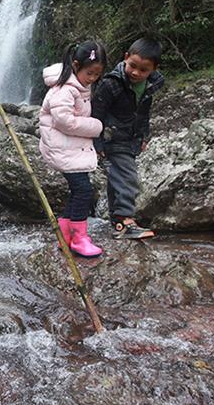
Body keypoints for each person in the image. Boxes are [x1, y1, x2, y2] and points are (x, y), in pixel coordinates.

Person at [91, 37, 164, 239]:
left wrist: (143, 136)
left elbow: (143, 113)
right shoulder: (110, 84)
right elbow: (96, 112)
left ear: (154, 69)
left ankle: (118, 225)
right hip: (111, 136)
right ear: (125, 58)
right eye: (132, 66)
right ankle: (125, 219)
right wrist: (96, 142)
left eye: (143, 70)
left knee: (117, 178)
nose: (136, 73)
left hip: (130, 137)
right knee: (128, 176)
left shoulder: (150, 85)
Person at [39, 41, 106, 257]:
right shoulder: (64, 90)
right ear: (75, 65)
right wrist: (96, 127)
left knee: (79, 190)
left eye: (97, 74)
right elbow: (64, 121)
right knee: (84, 190)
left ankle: (65, 236)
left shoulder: (78, 86)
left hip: (70, 148)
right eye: (90, 73)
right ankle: (79, 238)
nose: (93, 79)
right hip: (62, 149)